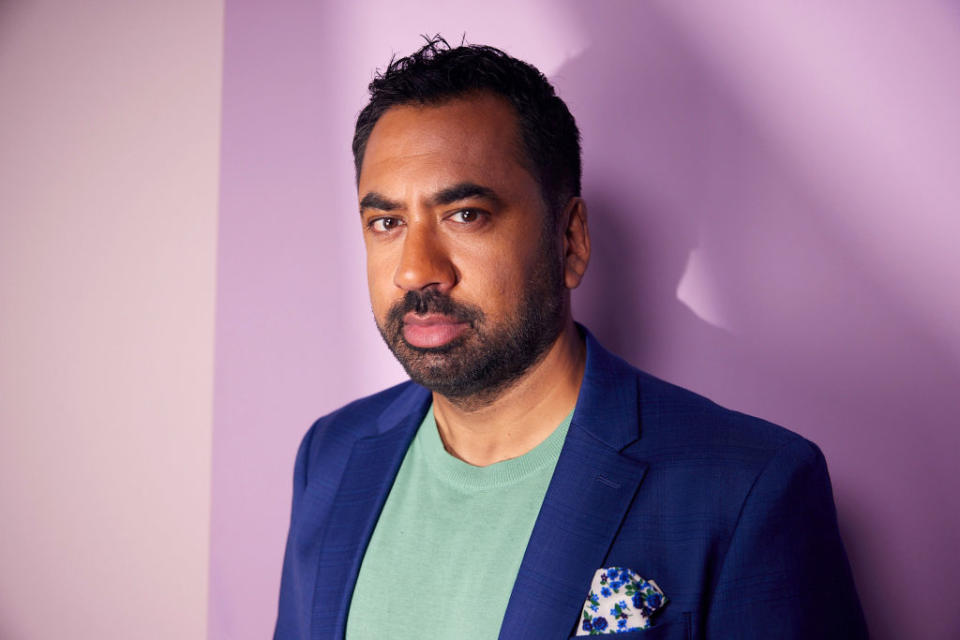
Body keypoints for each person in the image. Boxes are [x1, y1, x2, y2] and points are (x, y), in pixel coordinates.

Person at [274, 37, 868, 640]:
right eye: (387, 223)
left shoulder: (747, 486)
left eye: (466, 214)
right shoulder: (330, 456)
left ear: (571, 240)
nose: (415, 268)